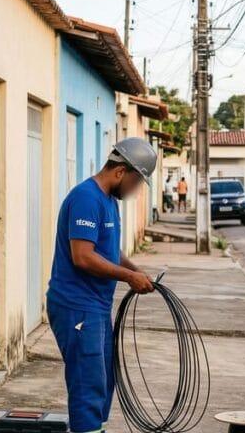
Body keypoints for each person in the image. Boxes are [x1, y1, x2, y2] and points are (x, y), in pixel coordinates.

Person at [46, 137, 157, 433]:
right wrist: (128, 278)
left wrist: (135, 270)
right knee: (87, 385)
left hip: (95, 307)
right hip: (76, 307)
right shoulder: (86, 198)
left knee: (104, 381)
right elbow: (82, 257)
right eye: (136, 183)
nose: (135, 191)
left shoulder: (108, 201)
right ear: (121, 172)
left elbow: (109, 251)